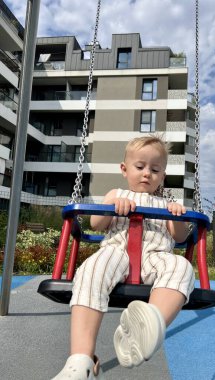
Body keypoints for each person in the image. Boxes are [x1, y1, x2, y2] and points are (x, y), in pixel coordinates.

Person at [52, 135, 195, 380]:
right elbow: (96, 224)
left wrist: (176, 215)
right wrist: (112, 206)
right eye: (140, 167)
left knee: (182, 267)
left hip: (155, 258)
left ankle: (149, 325)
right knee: (93, 268)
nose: (147, 173)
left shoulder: (167, 203)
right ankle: (81, 361)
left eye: (155, 169)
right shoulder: (115, 193)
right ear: (124, 169)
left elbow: (180, 237)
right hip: (116, 253)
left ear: (162, 175)